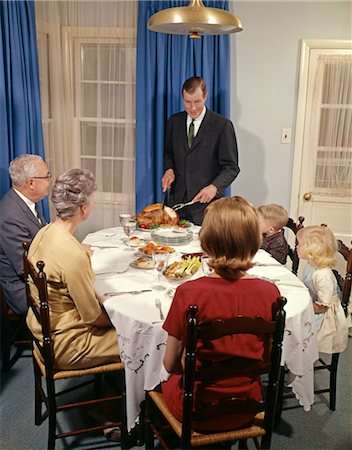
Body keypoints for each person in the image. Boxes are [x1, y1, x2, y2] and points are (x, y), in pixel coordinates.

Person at [161, 196, 280, 432]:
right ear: (255, 240)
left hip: (197, 408)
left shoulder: (188, 292)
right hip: (248, 405)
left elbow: (170, 365)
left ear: (206, 241)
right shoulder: (271, 292)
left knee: (157, 382)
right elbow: (266, 356)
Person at [26, 168, 119, 370]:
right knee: (140, 340)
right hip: (68, 344)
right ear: (83, 208)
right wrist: (122, 320)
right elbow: (93, 317)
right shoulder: (72, 254)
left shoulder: (45, 232)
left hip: (43, 330)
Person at [161, 76, 240, 225]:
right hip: (177, 205)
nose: (192, 108)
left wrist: (213, 188)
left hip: (207, 208)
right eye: (187, 102)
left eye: (197, 102)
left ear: (205, 96)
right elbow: (168, 154)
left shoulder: (222, 126)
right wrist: (169, 169)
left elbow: (231, 167)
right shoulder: (174, 122)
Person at [0, 154, 51, 315]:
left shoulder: (26, 202)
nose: (50, 181)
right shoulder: (11, 215)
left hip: (37, 277)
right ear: (31, 182)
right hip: (23, 290)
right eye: (47, 176)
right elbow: (27, 269)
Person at [297, 226, 348, 354]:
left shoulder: (322, 275)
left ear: (312, 249)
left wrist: (302, 308)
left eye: (300, 244)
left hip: (324, 315)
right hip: (313, 305)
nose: (297, 247)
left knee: (293, 325)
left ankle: (300, 357)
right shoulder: (309, 265)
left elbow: (323, 306)